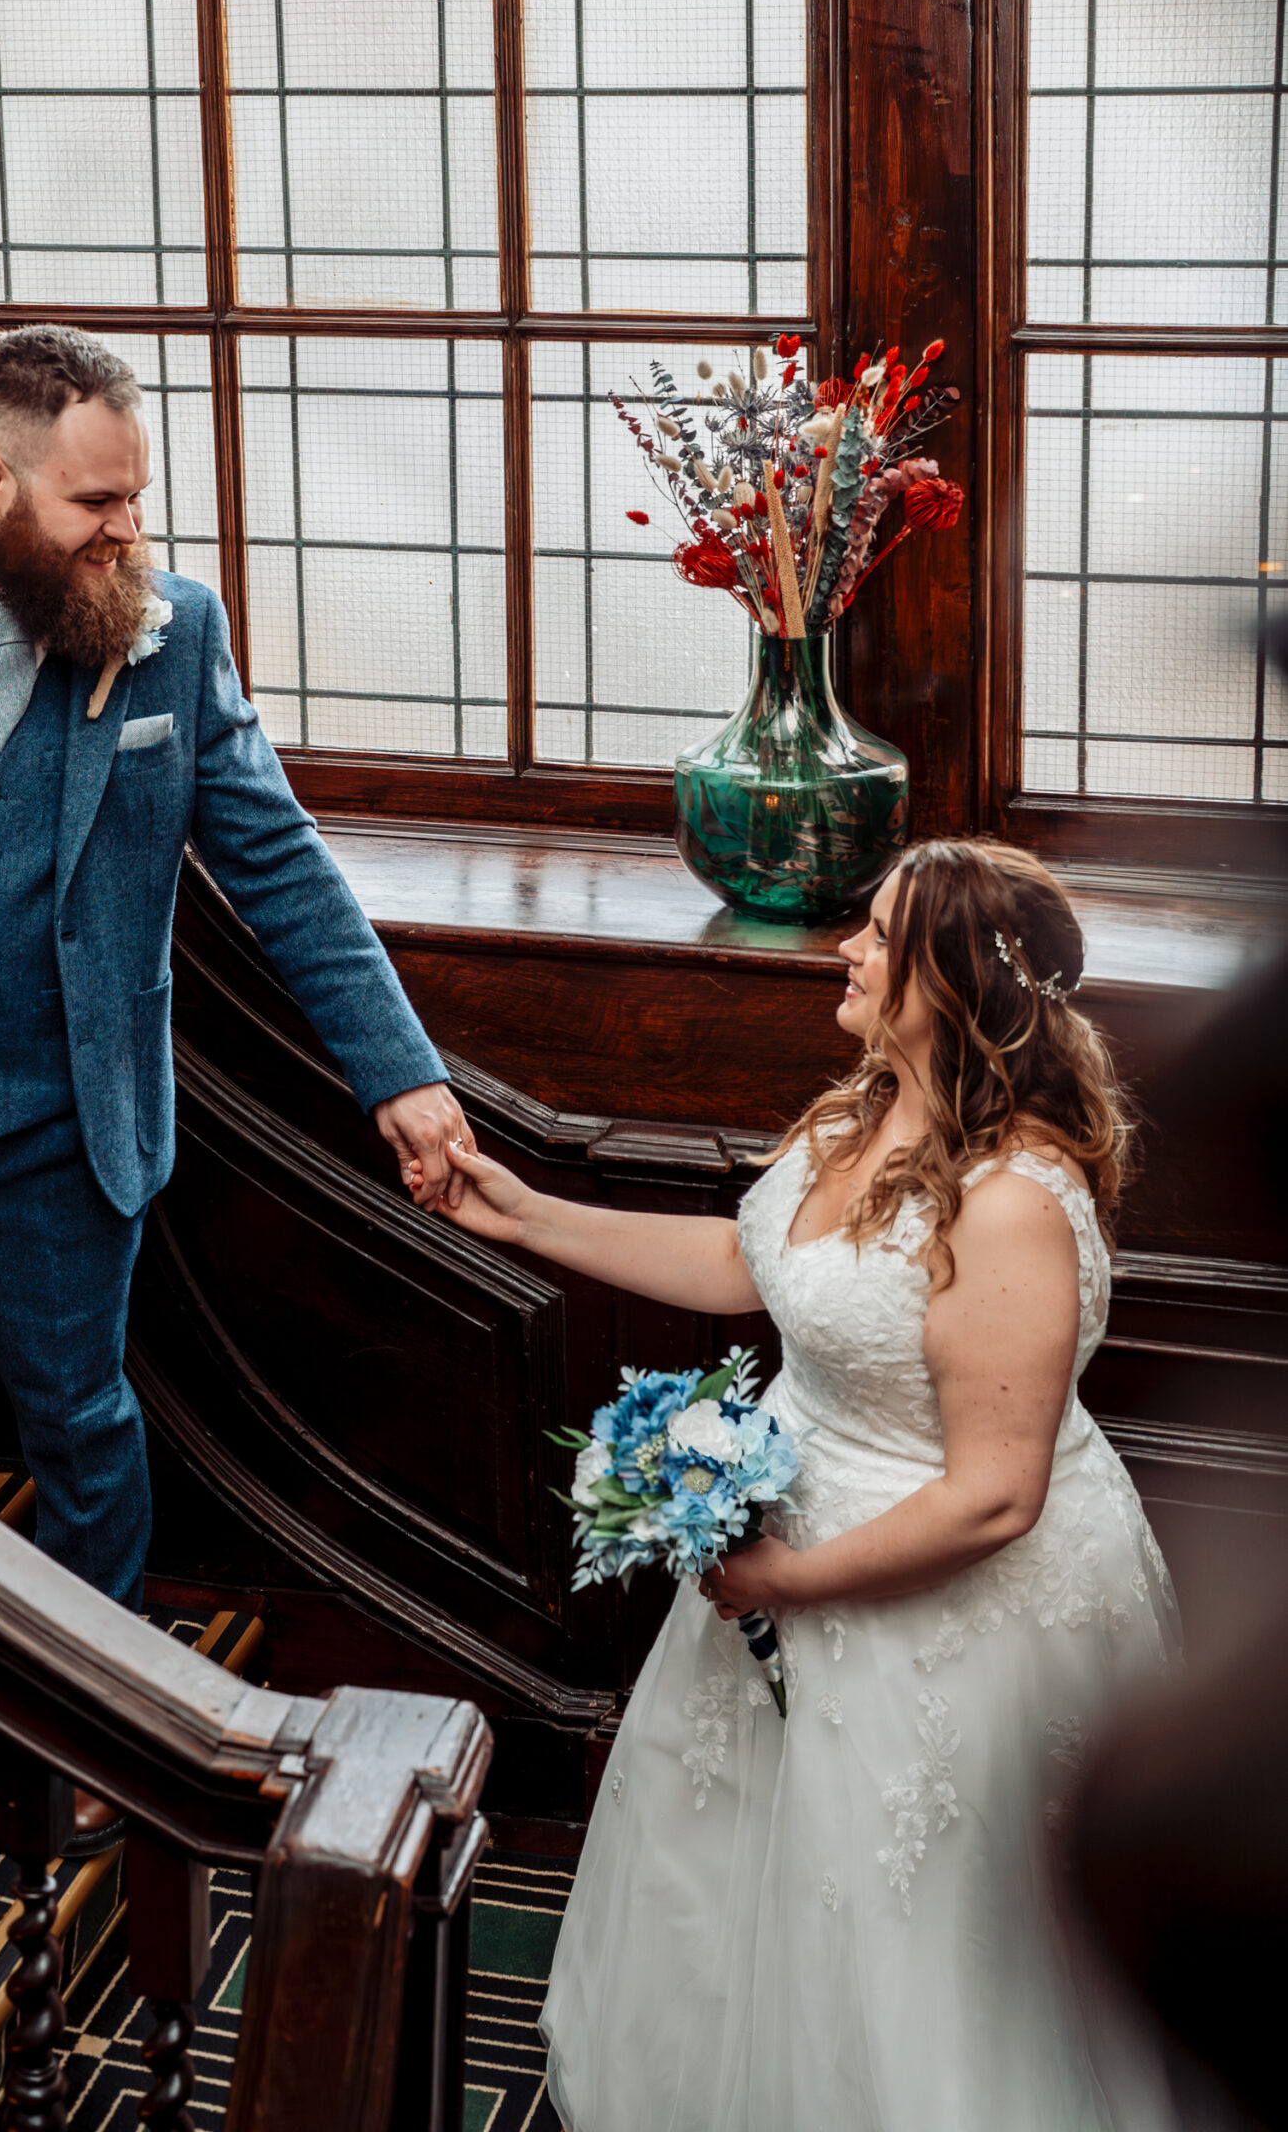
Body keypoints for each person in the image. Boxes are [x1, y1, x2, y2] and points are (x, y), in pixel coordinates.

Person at [0, 324, 471, 1838]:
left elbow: (280, 865)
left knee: (85, 1431)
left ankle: (82, 1741)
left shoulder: (170, 625)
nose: (131, 532)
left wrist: (403, 1076)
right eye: (95, 504)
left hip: (59, 1116)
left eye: (138, 499)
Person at [432, 839, 1180, 2132]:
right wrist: (523, 1215)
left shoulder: (1015, 1203)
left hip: (941, 1614)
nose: (850, 947)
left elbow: (997, 1497)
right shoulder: (864, 1106)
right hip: (791, 1550)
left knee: (923, 1965)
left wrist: (787, 1579)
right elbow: (750, 1261)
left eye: (881, 936)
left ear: (954, 982)